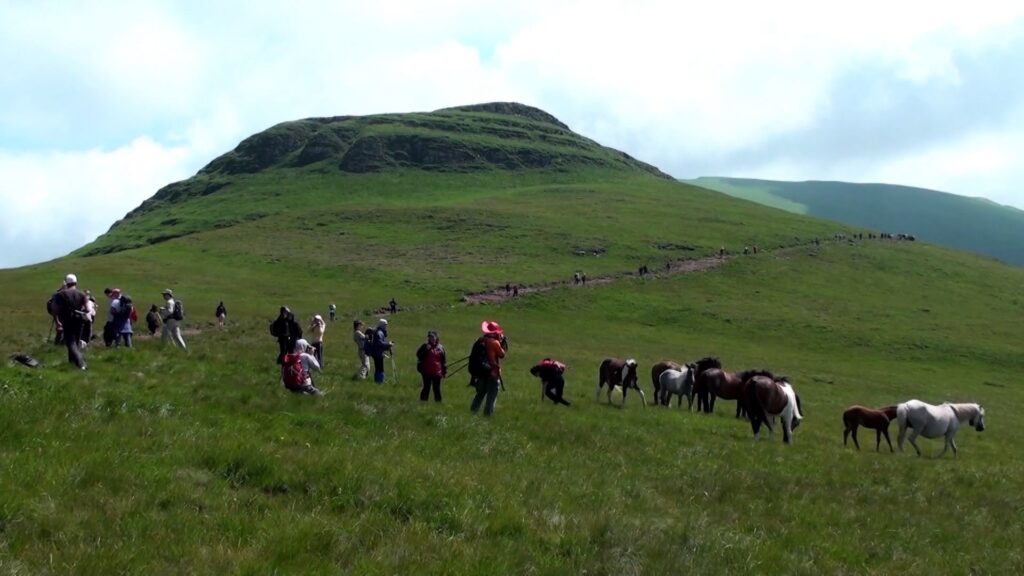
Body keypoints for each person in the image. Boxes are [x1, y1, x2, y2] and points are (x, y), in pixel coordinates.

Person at [470, 320, 506, 417]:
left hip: (482, 373)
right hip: (492, 373)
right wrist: (501, 343)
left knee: (480, 394)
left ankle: (472, 412)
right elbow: (502, 355)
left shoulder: (480, 340)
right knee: (491, 397)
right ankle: (487, 416)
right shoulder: (494, 342)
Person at [52, 273, 88, 370]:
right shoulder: (82, 294)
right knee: (75, 341)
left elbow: (55, 309)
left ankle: (81, 364)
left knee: (70, 343)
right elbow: (87, 309)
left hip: (67, 320)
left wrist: (57, 322)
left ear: (66, 283)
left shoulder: (60, 294)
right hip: (79, 319)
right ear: (76, 282)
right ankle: (72, 363)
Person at [415, 330, 447, 402]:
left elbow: (443, 361)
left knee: (437, 389)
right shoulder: (425, 346)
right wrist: (426, 349)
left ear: (436, 338)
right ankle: (423, 402)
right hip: (427, 372)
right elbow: (419, 355)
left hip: (437, 373)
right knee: (426, 388)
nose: (431, 339)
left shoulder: (440, 348)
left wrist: (444, 372)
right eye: (430, 337)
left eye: (432, 337)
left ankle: (438, 403)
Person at [368, 318, 393, 384]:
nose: (386, 326)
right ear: (382, 325)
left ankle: (378, 381)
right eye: (385, 325)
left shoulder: (379, 331)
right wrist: (388, 344)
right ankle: (379, 381)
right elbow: (380, 343)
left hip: (377, 352)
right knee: (379, 368)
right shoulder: (379, 333)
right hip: (377, 353)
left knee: (379, 368)